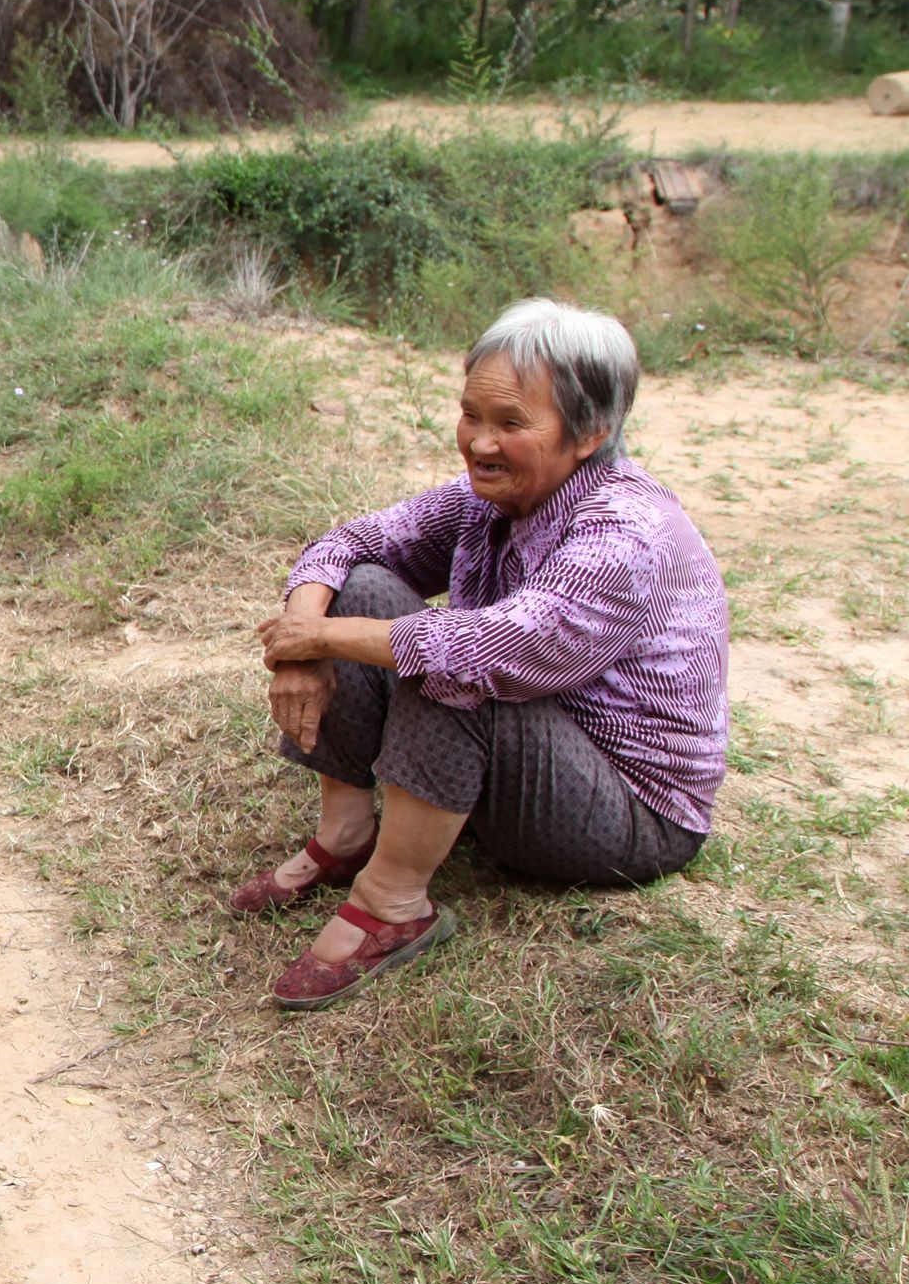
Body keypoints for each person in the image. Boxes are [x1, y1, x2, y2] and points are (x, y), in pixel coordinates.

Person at [238, 298, 729, 1012]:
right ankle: (346, 834)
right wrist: (302, 640)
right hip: (533, 752)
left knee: (457, 667)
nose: (480, 442)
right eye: (472, 414)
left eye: (511, 423)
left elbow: (490, 651)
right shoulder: (497, 495)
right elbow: (348, 544)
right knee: (365, 589)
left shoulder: (624, 532)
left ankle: (394, 903)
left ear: (590, 431)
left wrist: (319, 639)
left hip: (630, 814)